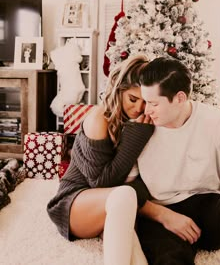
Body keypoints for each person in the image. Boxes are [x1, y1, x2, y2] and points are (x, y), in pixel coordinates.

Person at [47, 54, 155, 265]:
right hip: (73, 204)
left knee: (129, 245)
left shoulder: (143, 122)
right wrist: (136, 137)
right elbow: (101, 183)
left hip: (111, 205)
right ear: (119, 90)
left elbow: (143, 182)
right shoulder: (99, 118)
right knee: (124, 195)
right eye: (133, 99)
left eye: (146, 101)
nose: (139, 108)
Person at [133, 56, 220, 265]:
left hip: (208, 208)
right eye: (145, 102)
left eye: (153, 103)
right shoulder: (139, 128)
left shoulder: (217, 122)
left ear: (179, 98)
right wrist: (164, 216)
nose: (145, 110)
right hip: (160, 214)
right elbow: (125, 186)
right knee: (169, 258)